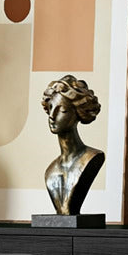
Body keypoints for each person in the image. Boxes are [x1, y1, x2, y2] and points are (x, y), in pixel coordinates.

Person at [41, 75, 105, 216]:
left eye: (62, 111)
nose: (52, 116)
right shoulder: (50, 171)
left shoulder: (92, 158)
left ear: (78, 113)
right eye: (50, 108)